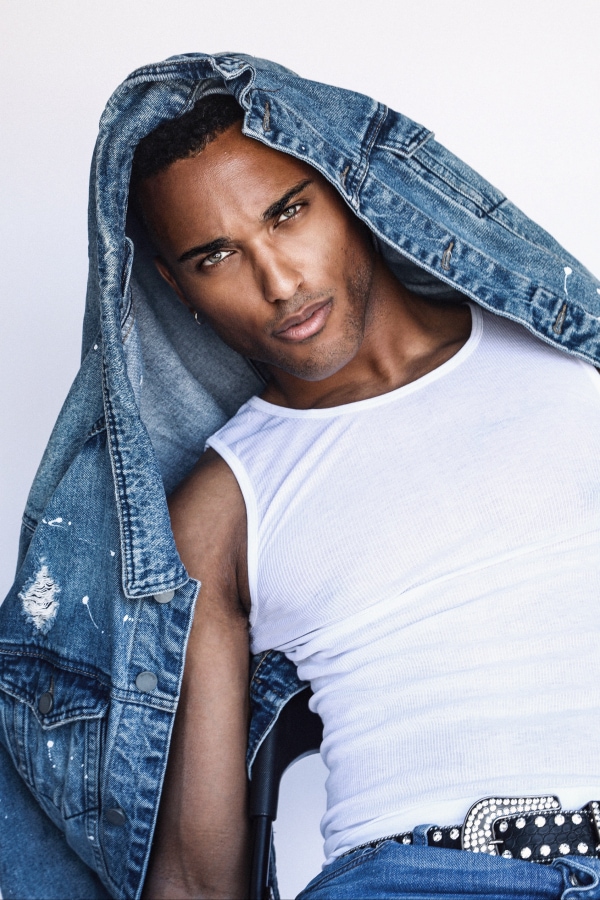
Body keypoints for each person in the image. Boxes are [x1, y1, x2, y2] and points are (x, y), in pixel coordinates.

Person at [1, 52, 600, 900]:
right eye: (216, 256)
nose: (279, 282)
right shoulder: (222, 507)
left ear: (351, 192)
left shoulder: (572, 368)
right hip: (412, 879)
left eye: (287, 213)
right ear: (176, 284)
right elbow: (198, 881)